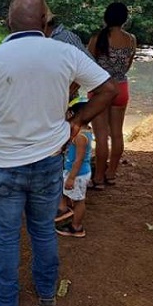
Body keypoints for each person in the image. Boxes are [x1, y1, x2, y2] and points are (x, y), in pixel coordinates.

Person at [0, 0, 117, 306]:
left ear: (9, 22)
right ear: (43, 21)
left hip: (3, 165)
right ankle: (47, 292)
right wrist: (78, 121)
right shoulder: (65, 52)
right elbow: (108, 90)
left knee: (6, 239)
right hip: (49, 163)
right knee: (42, 230)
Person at [88, 2, 137, 189]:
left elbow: (88, 65)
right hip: (121, 88)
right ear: (124, 19)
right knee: (117, 133)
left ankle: (98, 178)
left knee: (101, 136)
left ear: (106, 17)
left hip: (101, 88)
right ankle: (112, 174)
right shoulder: (131, 39)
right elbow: (128, 66)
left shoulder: (97, 38)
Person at [55, 98, 93, 238]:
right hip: (75, 171)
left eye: (70, 114)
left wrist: (71, 177)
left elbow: (79, 159)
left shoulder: (81, 137)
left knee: (79, 200)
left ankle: (76, 227)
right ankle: (63, 209)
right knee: (66, 191)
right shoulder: (85, 130)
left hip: (77, 173)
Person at [43, 7, 93, 101]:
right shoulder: (43, 41)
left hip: (66, 102)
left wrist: (69, 91)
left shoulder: (65, 38)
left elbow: (90, 65)